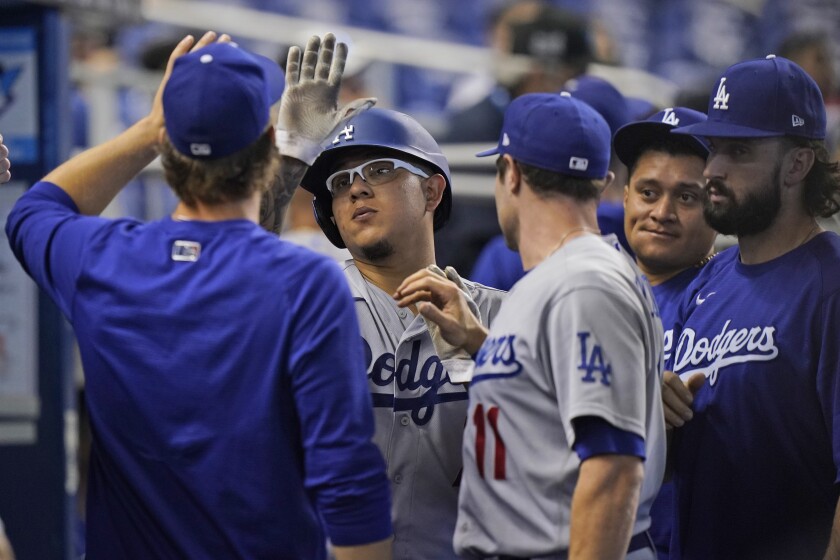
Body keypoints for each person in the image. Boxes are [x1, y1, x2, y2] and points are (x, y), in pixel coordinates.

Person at [5, 32, 393, 560]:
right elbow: (349, 484)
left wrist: (148, 130)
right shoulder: (305, 282)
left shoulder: (100, 259)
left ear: (169, 149)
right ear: (264, 146)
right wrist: (292, 154)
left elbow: (35, 209)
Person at [395, 92, 665, 559]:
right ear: (602, 183)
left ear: (511, 172)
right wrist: (478, 340)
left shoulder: (584, 283)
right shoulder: (562, 277)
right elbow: (550, 402)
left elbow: (614, 468)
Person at [293, 108, 506, 559]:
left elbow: (555, 443)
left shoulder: (500, 315)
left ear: (431, 190)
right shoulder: (304, 306)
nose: (356, 187)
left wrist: (483, 352)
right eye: (340, 182)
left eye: (380, 169)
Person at [662, 55, 840, 559]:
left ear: (798, 164)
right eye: (713, 148)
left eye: (738, 150)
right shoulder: (706, 282)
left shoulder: (831, 286)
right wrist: (656, 412)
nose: (712, 169)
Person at [613, 106, 717, 560]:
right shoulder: (584, 290)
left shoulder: (728, 298)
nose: (662, 212)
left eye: (687, 198)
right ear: (624, 195)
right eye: (649, 192)